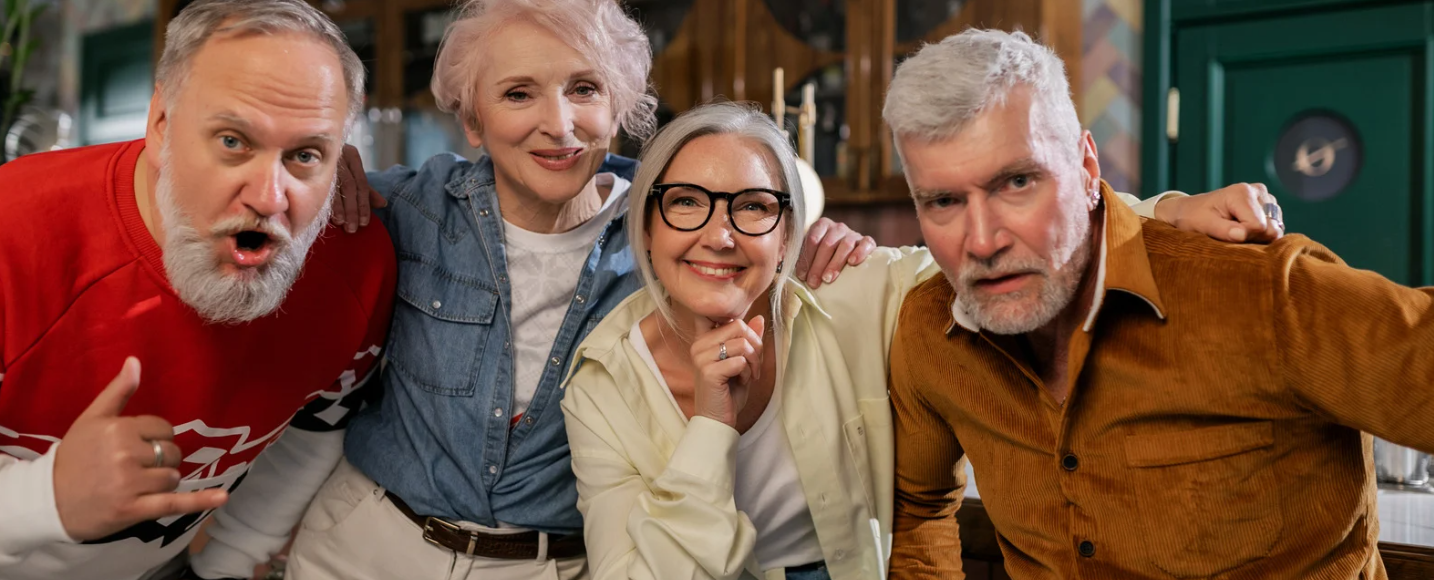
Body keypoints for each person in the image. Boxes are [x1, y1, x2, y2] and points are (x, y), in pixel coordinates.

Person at [559, 101, 1294, 580]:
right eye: (687, 203)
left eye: (753, 207)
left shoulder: (851, 293)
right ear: (647, 227)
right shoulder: (601, 382)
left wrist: (1166, 212)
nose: (719, 235)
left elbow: (1009, 245)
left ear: (787, 236)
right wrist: (711, 428)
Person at [286, 2, 876, 579]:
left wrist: (820, 238)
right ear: (472, 120)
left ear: (618, 104)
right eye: (519, 93)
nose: (560, 124)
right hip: (363, 548)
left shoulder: (673, 236)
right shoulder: (411, 207)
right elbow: (257, 219)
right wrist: (317, 166)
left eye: (585, 89)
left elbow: (755, 231)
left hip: (558, 563)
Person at [883, 29, 1434, 580]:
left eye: (1018, 182)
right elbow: (919, 509)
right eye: (944, 201)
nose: (981, 241)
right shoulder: (931, 331)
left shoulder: (1261, 294)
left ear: (1087, 169)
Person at [0, 1, 396, 580]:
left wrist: (228, 562)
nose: (269, 196)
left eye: (305, 154)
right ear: (161, 126)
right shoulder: (14, 232)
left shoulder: (355, 264)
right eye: (233, 141)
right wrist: (46, 500)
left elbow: (317, 430)